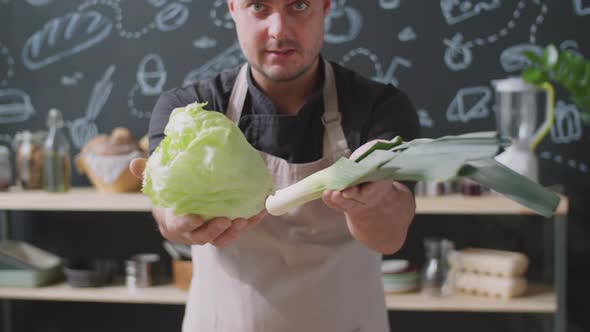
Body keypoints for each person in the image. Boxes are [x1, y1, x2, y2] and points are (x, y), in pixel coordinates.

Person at [129, 0, 420, 330]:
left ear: (325, 7)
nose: (278, 30)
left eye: (298, 5)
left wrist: (372, 201)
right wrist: (175, 219)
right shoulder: (188, 110)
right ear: (233, 10)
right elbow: (167, 218)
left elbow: (390, 236)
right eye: (258, 7)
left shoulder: (380, 108)